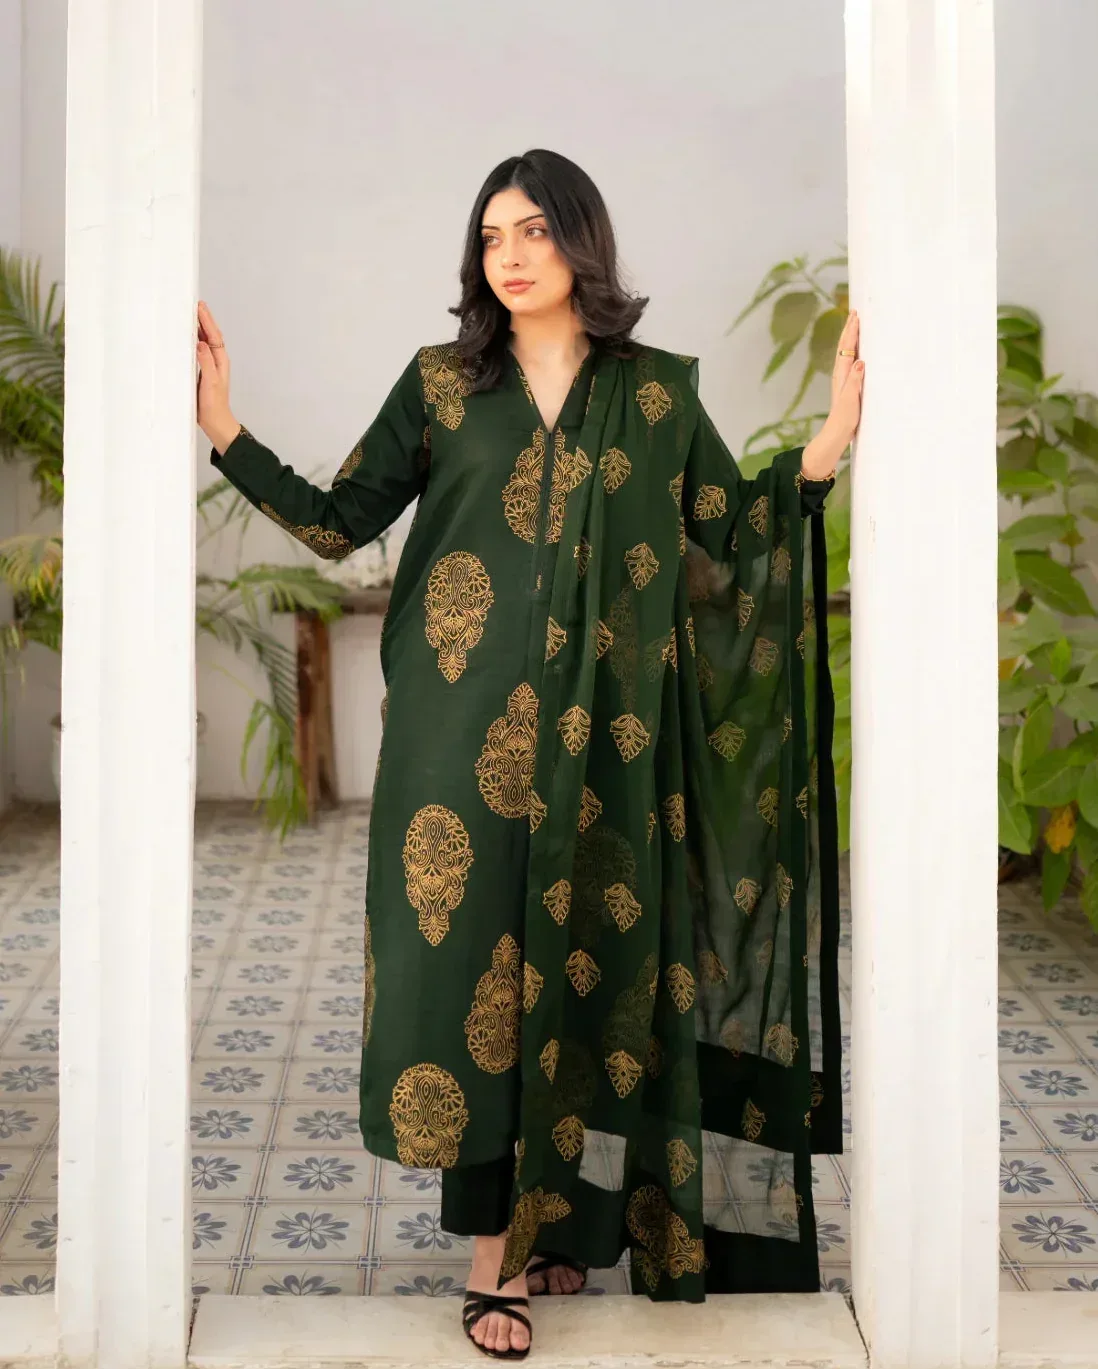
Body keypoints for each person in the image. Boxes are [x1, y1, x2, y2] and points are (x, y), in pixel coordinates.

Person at [197, 147, 862, 1361]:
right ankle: (491, 1255)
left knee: (592, 966)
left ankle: (566, 1222)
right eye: (491, 234)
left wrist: (818, 454)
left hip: (608, 739)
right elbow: (341, 519)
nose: (508, 254)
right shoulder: (442, 386)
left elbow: (725, 532)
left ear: (580, 243)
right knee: (467, 987)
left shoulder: (654, 395)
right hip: (456, 748)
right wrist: (225, 426)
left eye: (534, 231)